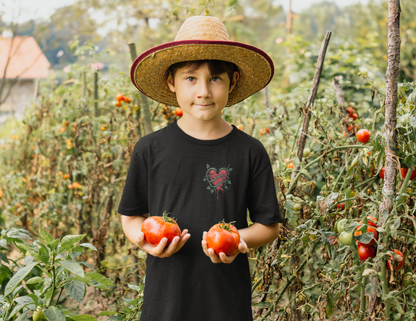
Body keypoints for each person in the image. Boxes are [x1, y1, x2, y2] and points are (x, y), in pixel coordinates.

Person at [118, 15, 282, 321]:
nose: (204, 91)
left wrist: (238, 240)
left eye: (215, 78)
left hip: (226, 302)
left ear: (232, 82)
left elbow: (269, 226)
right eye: (191, 78)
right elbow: (131, 217)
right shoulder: (150, 149)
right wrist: (145, 240)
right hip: (165, 302)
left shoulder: (250, 151)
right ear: (172, 82)